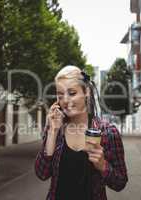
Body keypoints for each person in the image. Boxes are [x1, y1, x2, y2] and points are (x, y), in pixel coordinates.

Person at [35, 65, 128, 200]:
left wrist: (103, 165)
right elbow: (42, 173)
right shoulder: (56, 129)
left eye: (72, 93)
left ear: (86, 92)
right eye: (60, 95)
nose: (65, 100)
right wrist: (52, 133)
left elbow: (120, 183)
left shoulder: (108, 133)